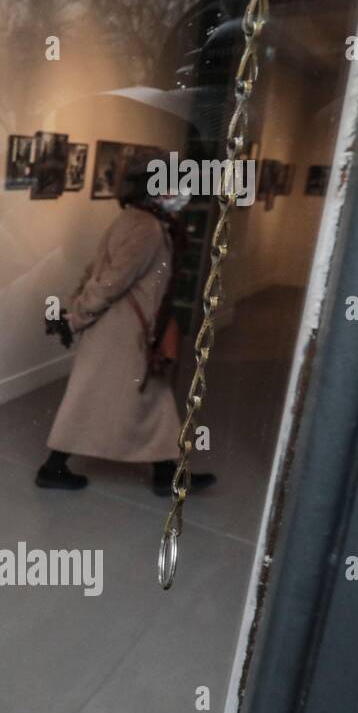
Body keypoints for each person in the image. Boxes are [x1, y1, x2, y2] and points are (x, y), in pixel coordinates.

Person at [37, 173, 217, 497]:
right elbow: (110, 281)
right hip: (123, 332)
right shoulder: (147, 229)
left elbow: (96, 271)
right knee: (122, 396)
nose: (181, 193)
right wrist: (76, 317)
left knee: (144, 397)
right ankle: (53, 467)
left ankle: (165, 472)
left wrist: (75, 311)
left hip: (121, 329)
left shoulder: (135, 220)